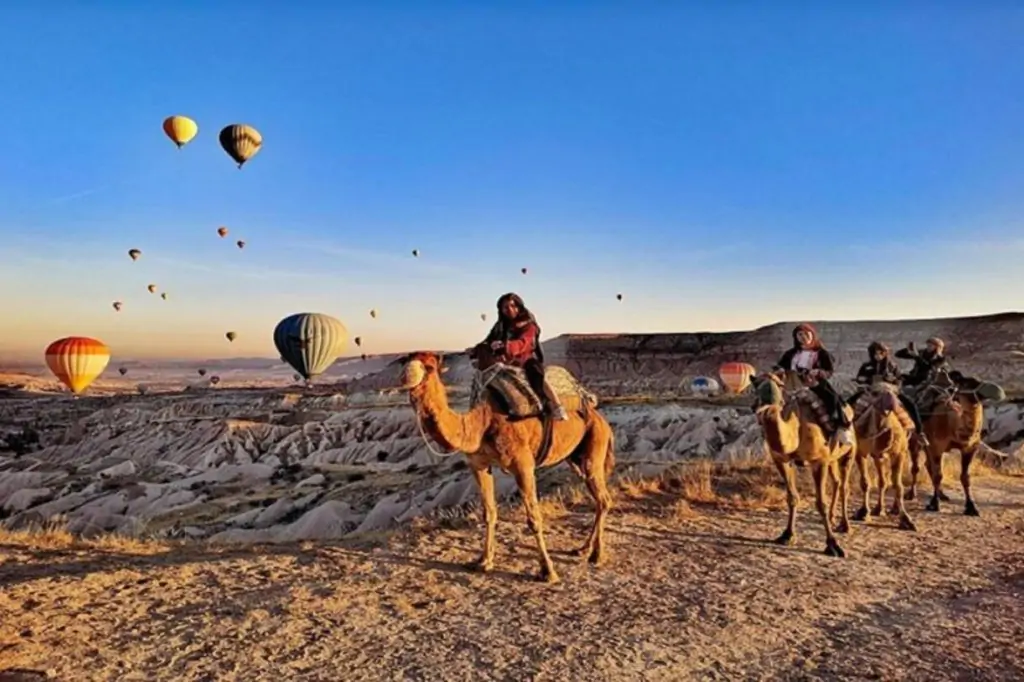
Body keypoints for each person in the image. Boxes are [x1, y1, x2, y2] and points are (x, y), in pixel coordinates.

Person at [477, 292, 568, 421]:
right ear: (501, 310)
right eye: (505, 307)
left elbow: (524, 343)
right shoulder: (500, 326)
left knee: (536, 374)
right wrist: (478, 348)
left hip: (526, 360)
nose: (509, 310)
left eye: (513, 306)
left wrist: (506, 346)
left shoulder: (528, 325)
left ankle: (556, 406)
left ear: (519, 307)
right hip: (505, 363)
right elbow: (488, 341)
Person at [772, 323, 854, 446]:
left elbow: (829, 371)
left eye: (806, 333)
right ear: (796, 337)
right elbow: (780, 366)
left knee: (832, 399)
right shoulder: (790, 354)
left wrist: (819, 372)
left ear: (812, 335)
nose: (803, 336)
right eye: (800, 334)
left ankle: (841, 428)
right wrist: (780, 370)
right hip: (791, 384)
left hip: (813, 383)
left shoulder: (821, 353)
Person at [850, 341, 927, 442]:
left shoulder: (892, 366)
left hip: (890, 391)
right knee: (849, 402)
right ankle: (848, 427)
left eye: (880, 353)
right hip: (871, 390)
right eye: (875, 353)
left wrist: (893, 380)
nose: (878, 356)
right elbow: (859, 378)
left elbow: (900, 380)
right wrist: (864, 380)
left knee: (911, 405)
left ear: (885, 353)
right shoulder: (866, 366)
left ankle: (919, 432)